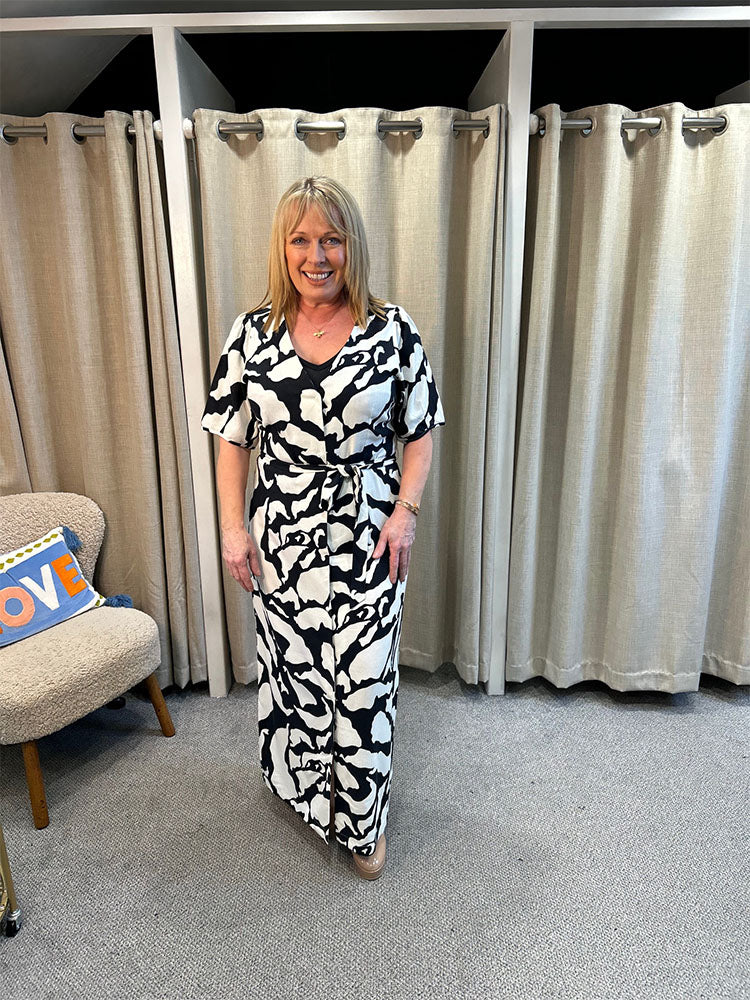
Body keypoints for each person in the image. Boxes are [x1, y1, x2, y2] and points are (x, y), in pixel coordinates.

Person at [201, 175, 445, 880]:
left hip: (369, 534)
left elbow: (420, 433)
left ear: (351, 245)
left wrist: (407, 513)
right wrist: (232, 528)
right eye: (301, 240)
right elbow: (231, 440)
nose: (316, 256)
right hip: (281, 535)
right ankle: (304, 793)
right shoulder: (251, 335)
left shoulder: (392, 330)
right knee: (296, 669)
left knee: (364, 682)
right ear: (282, 248)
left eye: (331, 239)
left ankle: (362, 823)